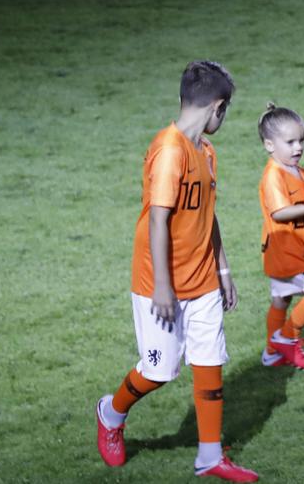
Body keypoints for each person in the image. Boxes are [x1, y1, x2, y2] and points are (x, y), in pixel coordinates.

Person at [94, 60, 258, 482]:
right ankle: (111, 414)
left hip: (202, 280)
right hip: (160, 284)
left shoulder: (205, 151)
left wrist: (223, 270)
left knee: (208, 361)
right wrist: (164, 288)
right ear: (217, 107)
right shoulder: (170, 151)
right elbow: (157, 220)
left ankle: (209, 456)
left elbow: (208, 213)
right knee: (158, 371)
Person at [256, 103, 304, 370]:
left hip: (291, 248)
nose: (298, 147)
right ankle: (288, 338)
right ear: (269, 145)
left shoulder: (298, 171)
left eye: (301, 140)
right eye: (289, 142)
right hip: (285, 249)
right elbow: (279, 212)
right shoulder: (273, 176)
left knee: (282, 299)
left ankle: (271, 352)